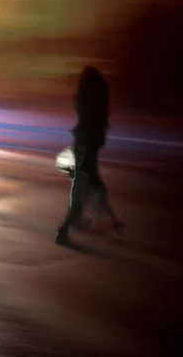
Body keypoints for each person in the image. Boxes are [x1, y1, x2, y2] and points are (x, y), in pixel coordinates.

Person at [56, 66, 125, 245]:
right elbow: (96, 125)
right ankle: (64, 231)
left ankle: (112, 222)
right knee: (83, 193)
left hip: (84, 147)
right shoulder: (95, 107)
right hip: (87, 151)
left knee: (94, 189)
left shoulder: (83, 101)